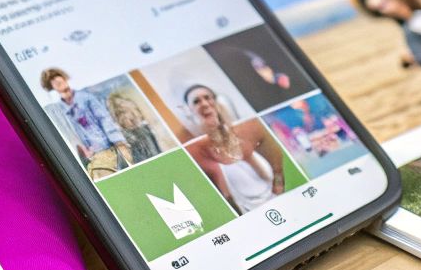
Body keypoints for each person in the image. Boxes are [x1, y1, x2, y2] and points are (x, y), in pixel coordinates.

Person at [184, 84, 286, 213]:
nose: (204, 103)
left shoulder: (246, 128)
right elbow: (224, 195)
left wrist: (279, 186)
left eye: (207, 97)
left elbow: (274, 164)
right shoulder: (195, 149)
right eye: (196, 101)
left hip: (275, 196)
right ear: (190, 110)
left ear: (215, 101)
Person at [40, 68, 130, 177]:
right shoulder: (59, 109)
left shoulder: (86, 97)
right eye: (51, 80)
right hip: (88, 158)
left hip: (106, 149)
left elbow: (104, 118)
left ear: (64, 77)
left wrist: (119, 142)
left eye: (56, 76)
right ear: (51, 86)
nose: (56, 81)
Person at [106, 90, 166, 164]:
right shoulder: (125, 137)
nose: (132, 116)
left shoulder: (146, 129)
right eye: (121, 112)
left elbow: (158, 151)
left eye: (135, 110)